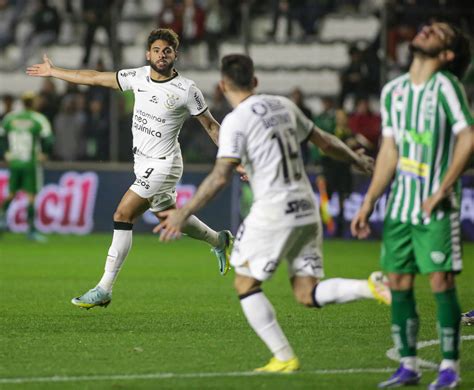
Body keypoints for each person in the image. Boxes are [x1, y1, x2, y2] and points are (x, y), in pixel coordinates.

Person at [155, 54, 391, 373]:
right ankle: (371, 286)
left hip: (274, 210)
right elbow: (325, 142)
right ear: (254, 82)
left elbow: (219, 176)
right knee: (307, 292)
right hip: (306, 207)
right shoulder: (284, 105)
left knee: (245, 284)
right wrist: (357, 160)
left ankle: (283, 357)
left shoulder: (237, 120)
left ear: (223, 87)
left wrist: (184, 213)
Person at [26, 28, 233, 309]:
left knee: (123, 214)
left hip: (164, 163)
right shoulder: (136, 77)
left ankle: (104, 288)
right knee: (167, 214)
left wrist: (235, 158)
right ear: (148, 54)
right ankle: (218, 240)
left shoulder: (186, 89)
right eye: (157, 50)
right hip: (143, 161)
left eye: (168, 51)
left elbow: (210, 125)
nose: (162, 55)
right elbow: (95, 78)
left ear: (175, 55)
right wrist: (54, 72)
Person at [351, 22, 473, 389]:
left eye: (438, 32)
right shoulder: (393, 91)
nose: (427, 29)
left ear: (446, 54)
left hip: (436, 206)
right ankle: (408, 365)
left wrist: (443, 189)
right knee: (399, 282)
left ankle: (449, 368)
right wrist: (370, 199)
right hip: (401, 207)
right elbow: (389, 150)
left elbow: (468, 137)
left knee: (440, 280)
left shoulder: (446, 86)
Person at [0, 92, 54, 241]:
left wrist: (5, 153)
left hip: (15, 162)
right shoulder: (38, 119)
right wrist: (44, 153)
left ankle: (0, 221)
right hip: (30, 163)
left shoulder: (10, 118)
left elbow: (1, 136)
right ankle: (31, 230)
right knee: (31, 196)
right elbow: (48, 139)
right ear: (34, 102)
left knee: (11, 193)